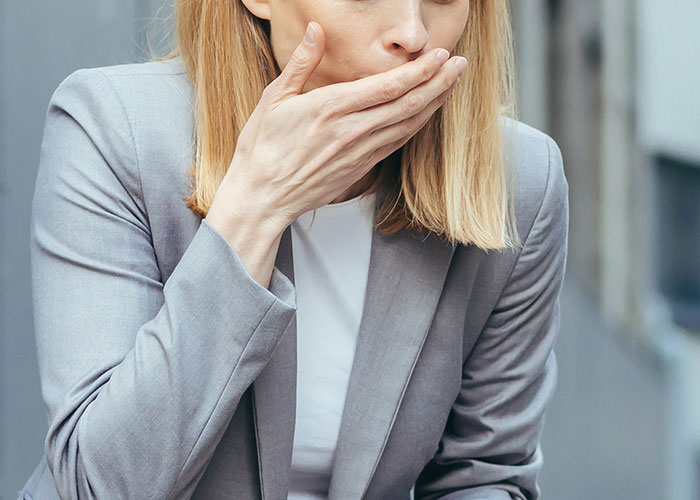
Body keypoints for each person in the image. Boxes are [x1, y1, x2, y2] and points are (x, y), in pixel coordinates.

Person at [18, 0, 569, 499]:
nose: (412, 32)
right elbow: (98, 485)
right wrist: (255, 207)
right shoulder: (113, 130)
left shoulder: (519, 183)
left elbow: (484, 476)